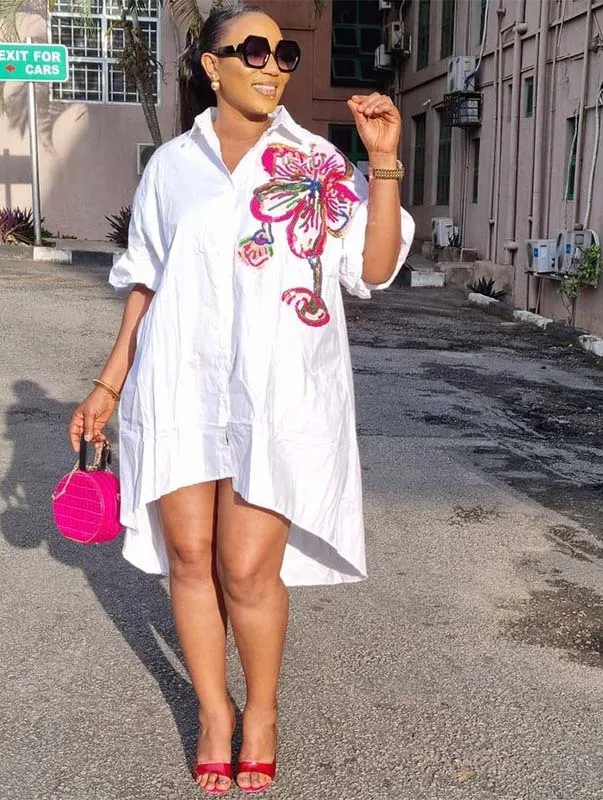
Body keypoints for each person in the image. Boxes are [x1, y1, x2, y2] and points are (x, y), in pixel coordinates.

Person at [68, 4, 414, 794]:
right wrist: (109, 383)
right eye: (252, 50)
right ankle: (215, 713)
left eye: (283, 54)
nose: (271, 65)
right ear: (211, 66)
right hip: (178, 383)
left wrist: (384, 162)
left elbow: (373, 268)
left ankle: (262, 711)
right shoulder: (170, 168)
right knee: (191, 558)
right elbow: (146, 281)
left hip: (277, 393)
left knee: (248, 567)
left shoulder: (315, 162)